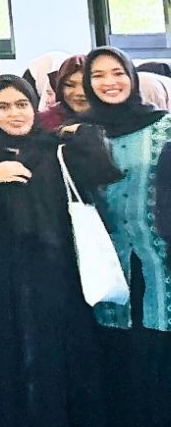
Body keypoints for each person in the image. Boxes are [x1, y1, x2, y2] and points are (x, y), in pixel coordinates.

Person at [0, 76, 117, 426]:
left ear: (34, 106)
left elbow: (104, 170)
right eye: (3, 106)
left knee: (58, 358)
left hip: (57, 274)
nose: (14, 114)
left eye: (22, 104)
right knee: (5, 359)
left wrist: (75, 131)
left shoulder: (55, 148)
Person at [80, 46, 171, 425]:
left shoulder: (164, 126)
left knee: (159, 363)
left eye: (117, 72)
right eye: (98, 75)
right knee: (117, 365)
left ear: (132, 77)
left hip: (160, 266)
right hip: (106, 272)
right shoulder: (79, 133)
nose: (110, 82)